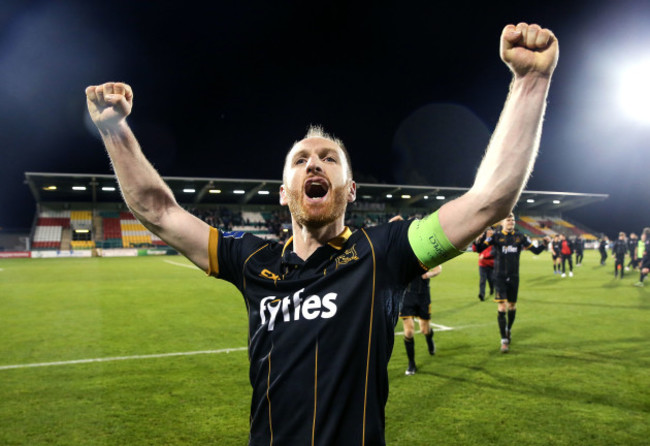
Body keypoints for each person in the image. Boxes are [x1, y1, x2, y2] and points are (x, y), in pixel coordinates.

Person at [85, 22, 558, 445]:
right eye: (301, 160)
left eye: (329, 158)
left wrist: (530, 82)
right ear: (283, 191)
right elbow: (157, 209)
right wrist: (115, 130)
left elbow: (489, 200)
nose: (314, 162)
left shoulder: (386, 253)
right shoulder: (250, 260)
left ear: (350, 190)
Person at [482, 213, 550, 353]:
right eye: (508, 219)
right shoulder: (495, 236)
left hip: (514, 277)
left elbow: (536, 251)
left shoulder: (521, 237)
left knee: (512, 306)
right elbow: (481, 247)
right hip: (499, 276)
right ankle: (504, 340)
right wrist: (480, 237)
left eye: (512, 220)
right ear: (502, 222)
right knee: (502, 307)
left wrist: (544, 244)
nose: (511, 221)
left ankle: (508, 329)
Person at [400, 265, 442, 375]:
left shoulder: (426, 252)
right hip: (407, 296)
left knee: (425, 330)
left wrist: (430, 274)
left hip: (423, 297)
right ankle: (411, 364)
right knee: (408, 332)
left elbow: (438, 268)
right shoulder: (404, 253)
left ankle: (429, 338)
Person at [472, 227, 495, 301]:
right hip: (482, 264)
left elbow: (494, 251)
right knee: (482, 279)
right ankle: (482, 294)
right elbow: (475, 249)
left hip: (491, 264)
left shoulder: (494, 239)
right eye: (487, 230)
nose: (489, 231)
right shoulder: (483, 239)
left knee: (491, 279)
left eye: (490, 230)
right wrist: (476, 240)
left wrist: (485, 255)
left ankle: (492, 289)